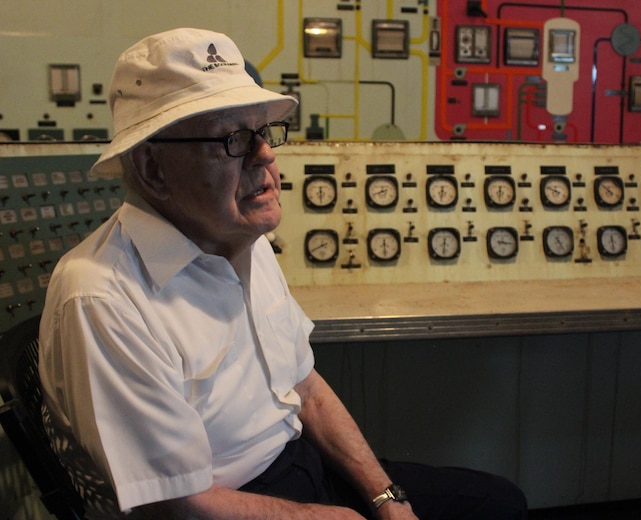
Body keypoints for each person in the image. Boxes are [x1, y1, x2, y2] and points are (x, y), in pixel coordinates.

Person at [38, 28, 528, 519]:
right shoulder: (101, 298)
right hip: (221, 507)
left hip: (301, 464)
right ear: (152, 167)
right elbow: (176, 504)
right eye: (233, 140)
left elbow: (307, 389)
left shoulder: (242, 238)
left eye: (264, 133)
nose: (265, 155)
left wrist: (385, 497)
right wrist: (330, 517)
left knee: (498, 504)